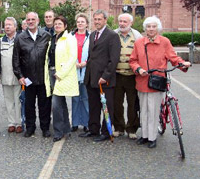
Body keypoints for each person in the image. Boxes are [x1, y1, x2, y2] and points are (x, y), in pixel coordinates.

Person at [129, 16, 191, 148]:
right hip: (142, 80)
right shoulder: (139, 43)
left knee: (153, 110)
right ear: (145, 28)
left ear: (158, 28)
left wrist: (182, 63)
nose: (151, 29)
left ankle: (152, 137)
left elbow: (173, 58)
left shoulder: (164, 42)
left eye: (153, 26)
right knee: (143, 110)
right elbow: (133, 60)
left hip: (157, 81)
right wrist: (138, 69)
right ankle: (144, 135)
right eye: (148, 27)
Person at [79, 10, 121, 142]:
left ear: (105, 20)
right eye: (95, 19)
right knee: (94, 105)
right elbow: (92, 57)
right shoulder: (92, 35)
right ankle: (93, 130)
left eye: (99, 19)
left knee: (107, 107)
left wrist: (106, 76)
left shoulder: (112, 36)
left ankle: (106, 132)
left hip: (105, 79)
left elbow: (114, 59)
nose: (97, 22)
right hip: (91, 77)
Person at [13, 12, 52, 138]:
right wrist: (20, 76)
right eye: (28, 19)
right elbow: (16, 60)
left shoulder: (46, 36)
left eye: (33, 19)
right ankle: (30, 128)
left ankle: (45, 128)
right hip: (27, 79)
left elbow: (51, 56)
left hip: (43, 78)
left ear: (38, 20)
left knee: (44, 105)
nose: (30, 21)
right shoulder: (20, 38)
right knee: (29, 106)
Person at [45, 16, 79, 142]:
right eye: (56, 24)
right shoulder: (53, 38)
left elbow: (72, 57)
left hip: (61, 75)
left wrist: (61, 73)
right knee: (61, 103)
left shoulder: (69, 38)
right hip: (52, 72)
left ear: (65, 26)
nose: (57, 26)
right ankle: (66, 129)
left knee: (56, 104)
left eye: (60, 24)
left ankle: (58, 131)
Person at [113, 13, 142, 139]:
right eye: (120, 21)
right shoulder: (113, 34)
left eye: (125, 21)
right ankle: (119, 128)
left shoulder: (137, 36)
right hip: (117, 75)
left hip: (132, 76)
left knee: (132, 103)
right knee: (117, 103)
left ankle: (132, 129)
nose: (122, 23)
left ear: (130, 23)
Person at [1, 17, 22, 133]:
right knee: (8, 100)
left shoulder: (20, 39)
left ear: (15, 27)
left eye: (10, 25)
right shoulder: (0, 41)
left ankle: (19, 123)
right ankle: (11, 123)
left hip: (17, 76)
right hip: (5, 75)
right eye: (6, 25)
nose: (7, 27)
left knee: (18, 101)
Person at [71, 13, 90, 133]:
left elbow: (95, 53)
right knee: (75, 99)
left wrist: (86, 62)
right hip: (73, 70)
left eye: (82, 22)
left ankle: (86, 123)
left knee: (86, 98)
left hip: (87, 70)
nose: (80, 24)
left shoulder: (91, 37)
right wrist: (74, 63)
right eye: (78, 22)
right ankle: (75, 122)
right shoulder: (70, 37)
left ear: (87, 24)